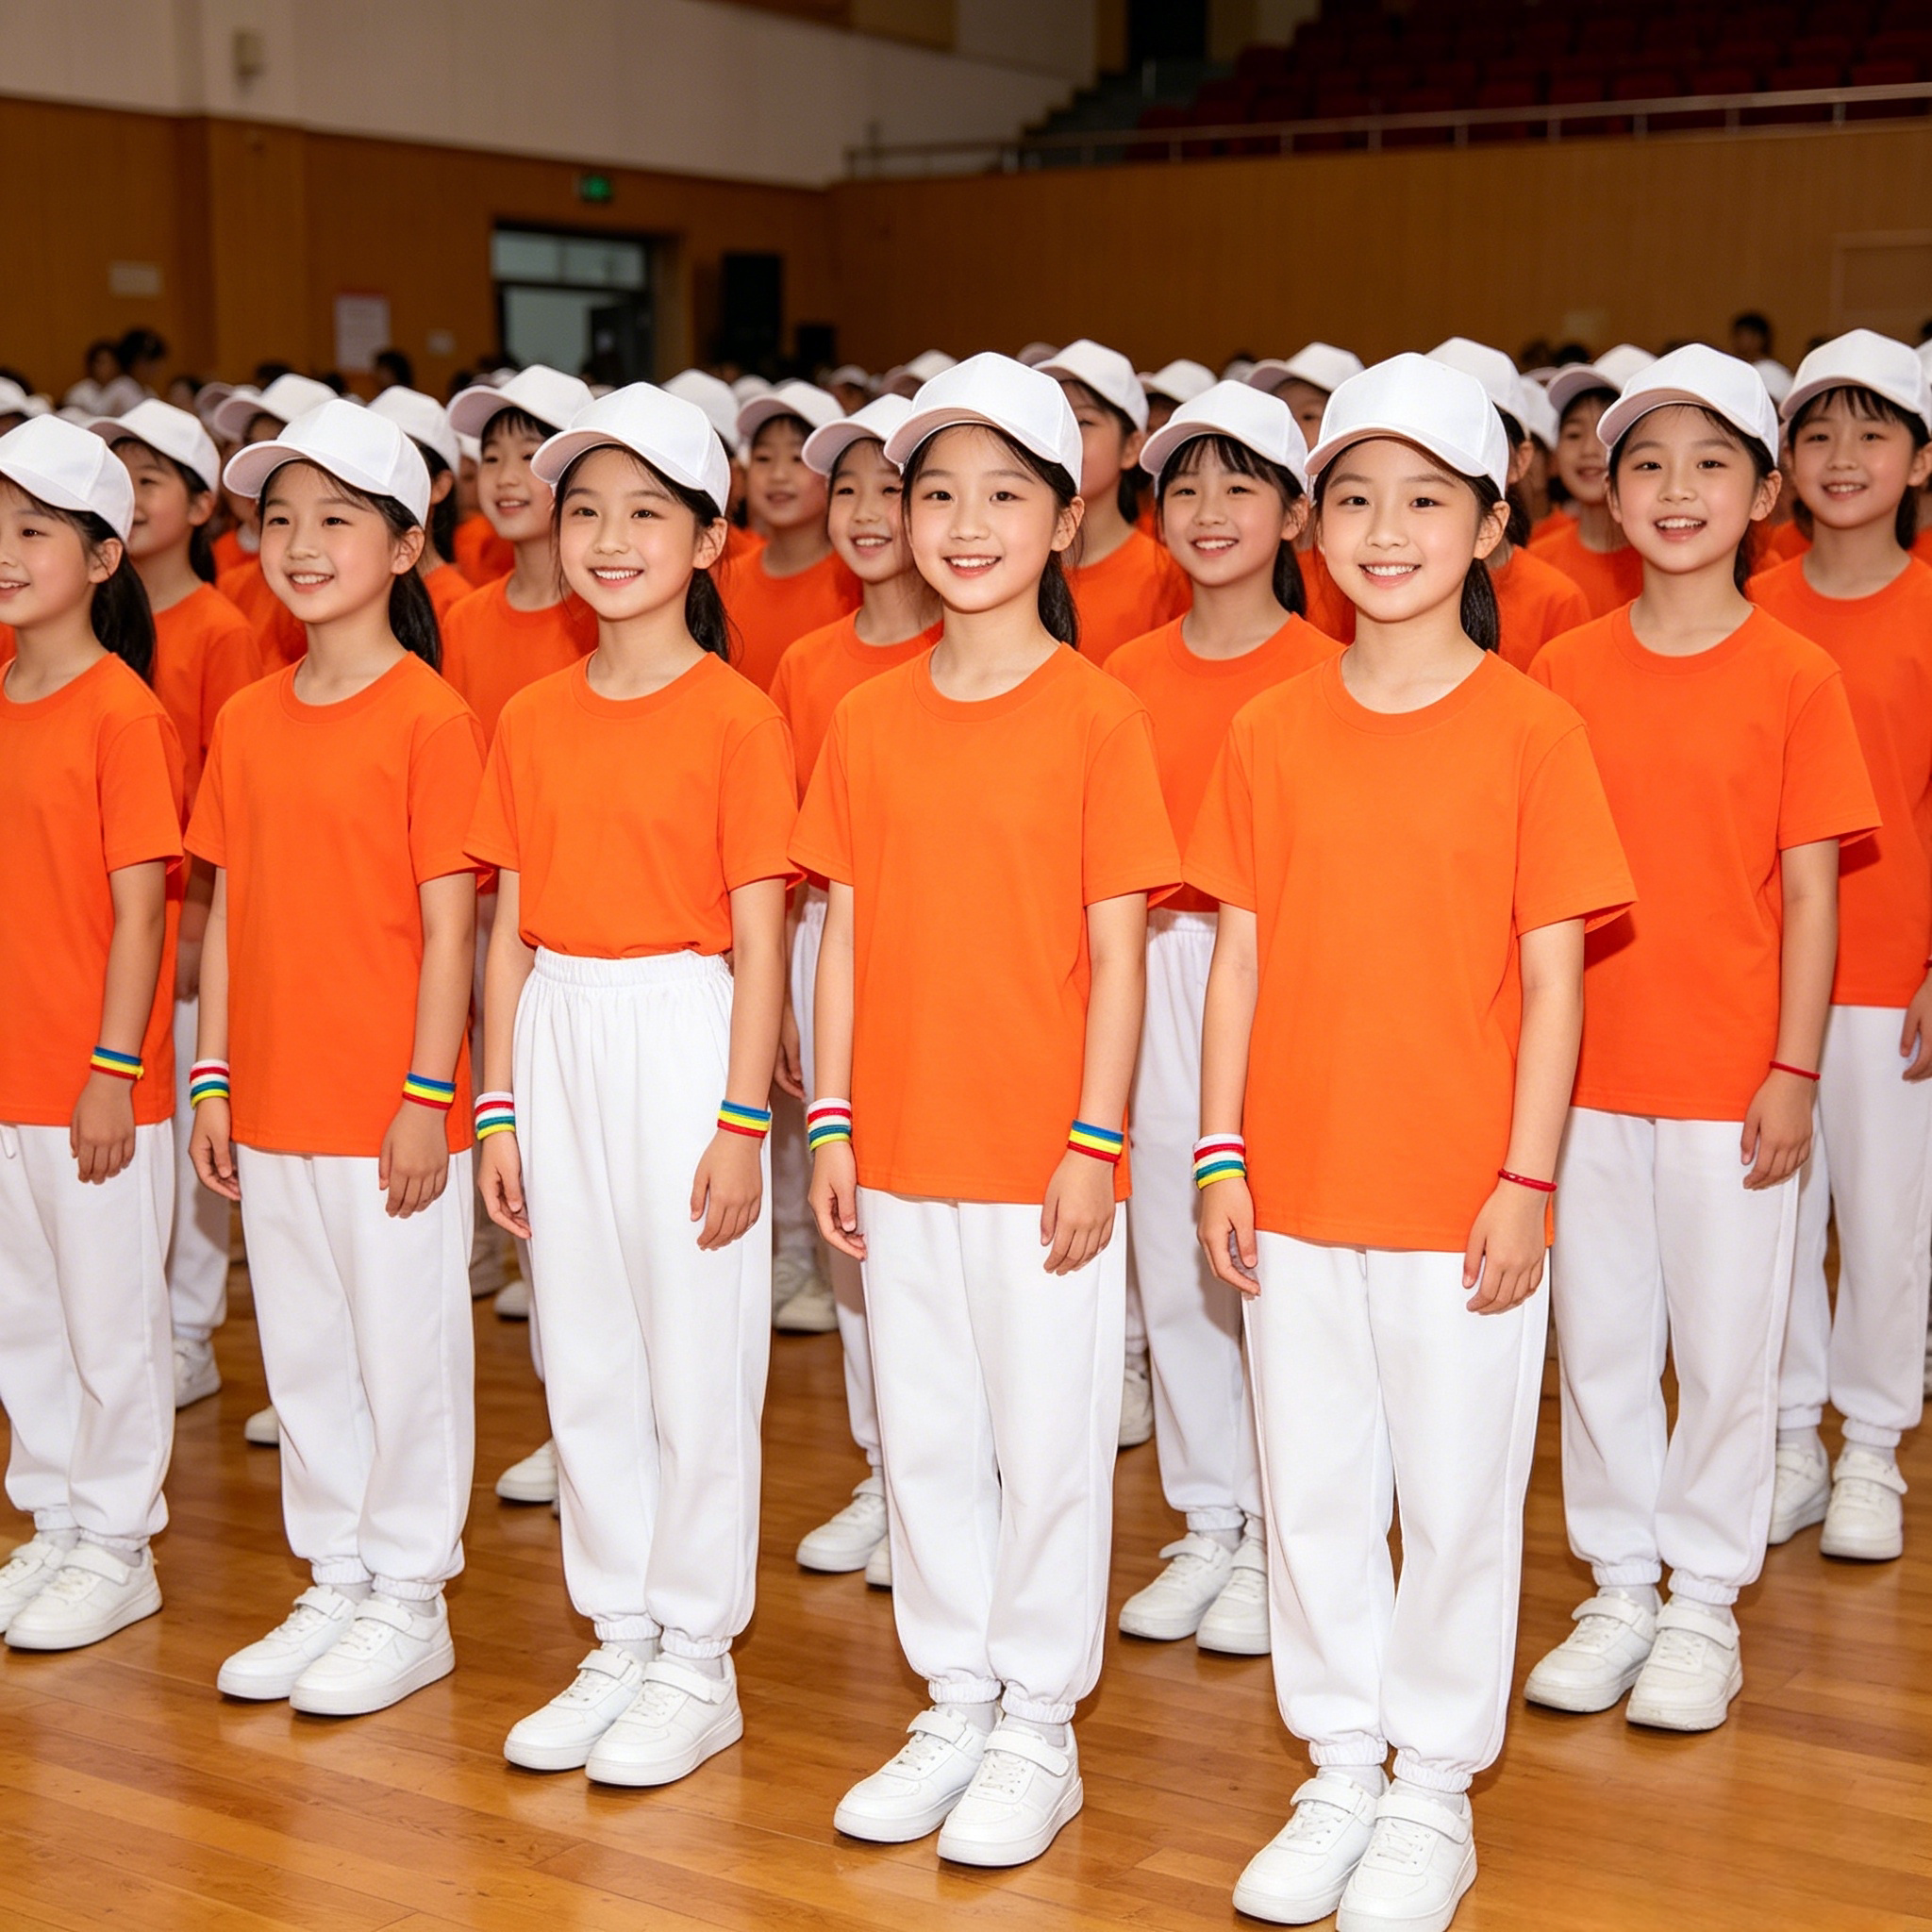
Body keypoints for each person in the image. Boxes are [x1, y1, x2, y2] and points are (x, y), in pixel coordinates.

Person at [1188, 356, 1631, 1932]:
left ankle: (1430, 1784)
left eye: (1423, 501)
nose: (1384, 531)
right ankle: (1339, 1759)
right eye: (1355, 499)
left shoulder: (1529, 730)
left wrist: (1525, 1178)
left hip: (1459, 1193)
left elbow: (1552, 974)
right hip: (1294, 1179)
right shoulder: (1267, 728)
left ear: (1487, 525)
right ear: (1312, 525)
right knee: (1310, 1486)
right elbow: (1234, 956)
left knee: (1449, 1492)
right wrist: (1217, 1153)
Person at [795, 353, 1179, 1868]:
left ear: (1065, 519)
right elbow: (839, 936)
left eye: (1001, 494)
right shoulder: (868, 719)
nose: (961, 523)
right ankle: (955, 1691)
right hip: (893, 1142)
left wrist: (1097, 1143)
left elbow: (1121, 955)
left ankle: (1039, 1722)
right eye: (932, 491)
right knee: (928, 1431)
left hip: (1041, 1157)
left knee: (1050, 1436)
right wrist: (830, 1121)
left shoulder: (1097, 715)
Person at [1525, 346, 1877, 1737]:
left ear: (1766, 493)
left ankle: (1705, 1600)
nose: (1676, 490)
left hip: (1735, 1075)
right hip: (1589, 1074)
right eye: (1648, 462)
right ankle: (1618, 1577)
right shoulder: (1561, 668)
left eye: (1711, 463)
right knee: (1602, 1339)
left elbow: (1808, 894)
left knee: (1728, 1347)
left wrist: (1793, 1071)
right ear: (1606, 484)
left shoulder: (1794, 675)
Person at [468, 382, 795, 1787]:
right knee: (583, 1346)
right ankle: (618, 1626)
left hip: (681, 1024)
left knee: (692, 1359)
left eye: (646, 513)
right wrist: (495, 1100)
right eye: (584, 507)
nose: (607, 538)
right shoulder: (535, 713)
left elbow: (765, 931)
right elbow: (506, 922)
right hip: (559, 1024)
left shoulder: (737, 717)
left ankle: (696, 1654)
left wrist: (739, 1122)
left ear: (707, 541)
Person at [189, 401, 486, 1716]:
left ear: (408, 544)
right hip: (271, 1091)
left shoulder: (428, 716)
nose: (301, 545)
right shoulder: (249, 717)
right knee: (304, 1348)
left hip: (389, 1104)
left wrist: (428, 1096)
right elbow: (233, 909)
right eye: (280, 520)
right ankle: (338, 1570)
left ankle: (410, 1593)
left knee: (402, 1347)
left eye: (337, 520)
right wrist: (210, 1075)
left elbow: (449, 927)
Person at [1106, 380, 1338, 1662]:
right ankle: (1209, 1513)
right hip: (1151, 960)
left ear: (1297, 513)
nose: (1206, 511)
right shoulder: (1125, 676)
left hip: (1276, 973)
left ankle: (1280, 1529)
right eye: (1182, 486)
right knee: (1168, 1246)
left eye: (1240, 484)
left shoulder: (1325, 672)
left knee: (1271, 1254)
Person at [0, 416, 182, 1653]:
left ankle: (117, 1540)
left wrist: (114, 1070)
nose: (4, 553)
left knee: (111, 1316)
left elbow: (141, 911)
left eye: (32, 532)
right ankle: (53, 1518)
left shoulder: (123, 711)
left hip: (93, 1076)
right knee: (26, 1312)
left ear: (104, 559)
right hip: (8, 1065)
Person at [1756, 331, 1932, 1563]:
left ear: (1921, 458)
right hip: (1764, 983)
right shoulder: (1754, 605)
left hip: (1893, 973)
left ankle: (1872, 1445)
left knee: (1883, 1224)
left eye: (1873, 432)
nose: (1842, 456)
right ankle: (1785, 1441)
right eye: (1818, 432)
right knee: (1773, 1225)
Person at [771, 392, 941, 1584]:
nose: (870, 514)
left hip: (949, 955)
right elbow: (791, 858)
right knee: (855, 1223)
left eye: (897, 488)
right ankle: (887, 1469)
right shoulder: (805, 662)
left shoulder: (979, 645)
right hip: (832, 936)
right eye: (852, 492)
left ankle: (948, 1472)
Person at [441, 366, 597, 1483]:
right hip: (488, 917)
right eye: (490, 455)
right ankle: (570, 1407)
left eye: (529, 452)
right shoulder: (461, 618)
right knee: (529, 1180)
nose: (507, 476)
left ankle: (590, 1419)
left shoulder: (624, 611)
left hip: (580, 926)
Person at [94, 402, 262, 1410]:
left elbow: (219, 797)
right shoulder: (92, 625)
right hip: (117, 917)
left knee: (197, 1121)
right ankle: (147, 1315)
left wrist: (200, 918)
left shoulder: (222, 630)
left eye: (154, 478)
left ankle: (191, 1323)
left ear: (202, 505)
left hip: (186, 907)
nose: (136, 495)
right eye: (121, 478)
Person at [1425, 341, 1590, 671]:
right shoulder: (1391, 584)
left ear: (1521, 460)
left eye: (1481, 437)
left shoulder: (1554, 599)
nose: (1457, 459)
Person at [1036, 341, 1190, 663]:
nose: (1065, 439)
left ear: (1132, 447)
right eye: (1053, 421)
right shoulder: (1019, 564)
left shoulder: (1167, 576)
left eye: (1084, 422)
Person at [718, 380, 860, 691]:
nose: (778, 475)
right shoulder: (724, 580)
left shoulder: (857, 585)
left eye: (797, 459)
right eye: (764, 458)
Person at [211, 375, 341, 673]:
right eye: (251, 449)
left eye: (280, 454)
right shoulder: (235, 584)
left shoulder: (344, 587)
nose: (261, 478)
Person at [1244, 342, 1367, 639]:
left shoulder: (1365, 552)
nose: (1292, 430)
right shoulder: (1250, 544)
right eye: (1282, 416)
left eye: (1309, 416)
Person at [1529, 347, 1654, 617]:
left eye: (1604, 433)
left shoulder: (1664, 564)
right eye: (1574, 434)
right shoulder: (1537, 559)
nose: (1588, 450)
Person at [368, 387, 473, 623]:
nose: (379, 482)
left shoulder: (456, 607)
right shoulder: (355, 594)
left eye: (401, 467)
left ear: (440, 487)